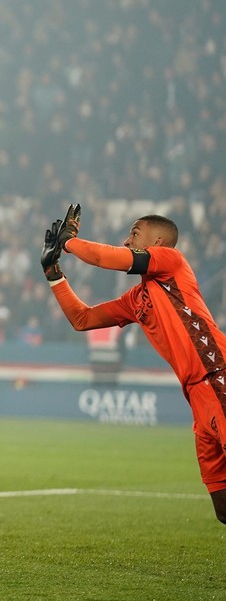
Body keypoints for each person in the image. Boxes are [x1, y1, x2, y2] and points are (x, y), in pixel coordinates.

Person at [42, 204, 226, 524]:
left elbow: (106, 258)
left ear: (157, 242)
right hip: (197, 395)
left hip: (218, 376)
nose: (127, 241)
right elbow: (82, 319)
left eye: (134, 233)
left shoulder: (172, 261)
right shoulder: (136, 299)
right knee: (223, 507)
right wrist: (53, 275)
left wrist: (69, 242)